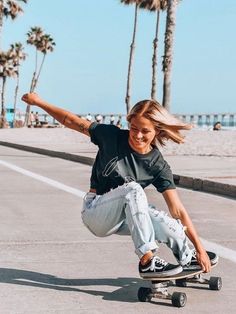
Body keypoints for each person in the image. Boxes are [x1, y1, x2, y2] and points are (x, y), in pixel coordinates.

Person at [21, 93, 218, 278]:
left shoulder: (157, 164)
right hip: (95, 212)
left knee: (161, 218)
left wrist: (200, 249)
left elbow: (178, 211)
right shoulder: (111, 136)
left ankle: (188, 259)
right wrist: (38, 102)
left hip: (124, 218)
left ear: (157, 130)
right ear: (128, 124)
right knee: (133, 189)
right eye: (134, 128)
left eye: (145, 131)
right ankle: (147, 260)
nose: (137, 135)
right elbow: (71, 120)